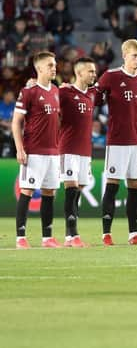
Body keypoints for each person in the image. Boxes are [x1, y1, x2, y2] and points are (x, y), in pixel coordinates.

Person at [95, 39, 137, 246]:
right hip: (117, 141)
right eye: (134, 56)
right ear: (125, 55)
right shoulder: (111, 76)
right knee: (112, 185)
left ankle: (134, 233)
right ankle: (106, 233)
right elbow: (94, 97)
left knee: (135, 186)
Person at [12, 51, 60, 249]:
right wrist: (19, 149)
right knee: (27, 191)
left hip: (53, 152)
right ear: (39, 68)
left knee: (49, 193)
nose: (54, 67)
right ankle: (20, 237)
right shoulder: (28, 92)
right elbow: (16, 122)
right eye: (50, 65)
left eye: (54, 64)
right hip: (34, 151)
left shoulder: (56, 90)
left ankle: (47, 237)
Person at [58, 57, 98, 248]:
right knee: (71, 190)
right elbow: (46, 96)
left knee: (77, 193)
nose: (94, 74)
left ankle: (69, 236)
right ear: (79, 72)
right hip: (68, 149)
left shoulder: (91, 94)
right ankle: (73, 236)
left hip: (85, 151)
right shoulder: (65, 91)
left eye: (94, 71)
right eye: (90, 71)